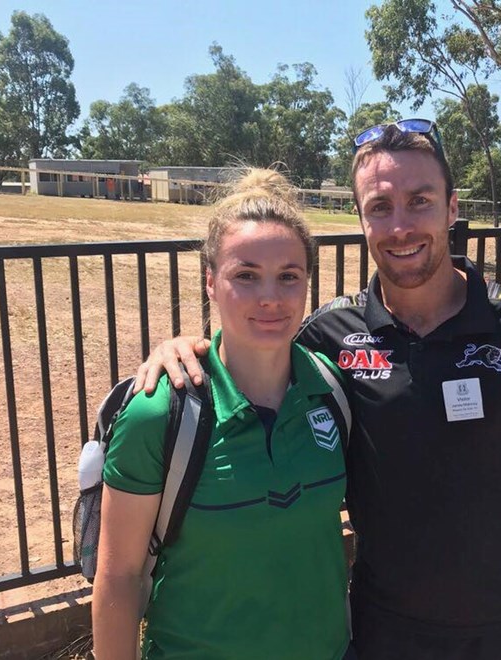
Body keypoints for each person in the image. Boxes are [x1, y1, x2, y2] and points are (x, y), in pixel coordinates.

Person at [135, 120, 501, 660]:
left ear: (452, 208)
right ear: (361, 219)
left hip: (499, 632)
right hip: (377, 632)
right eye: (380, 207)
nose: (400, 227)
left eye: (420, 201)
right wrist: (183, 348)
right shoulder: (328, 336)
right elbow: (247, 354)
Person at [92, 168, 355, 659]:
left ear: (307, 283)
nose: (270, 297)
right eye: (246, 276)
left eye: (288, 276)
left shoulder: (334, 390)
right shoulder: (159, 412)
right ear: (211, 281)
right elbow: (119, 577)